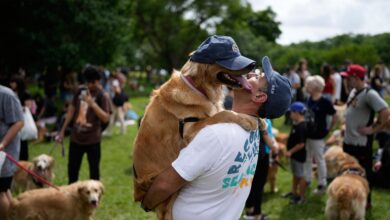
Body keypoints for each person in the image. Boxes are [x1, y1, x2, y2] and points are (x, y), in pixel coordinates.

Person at [141, 56, 292, 220]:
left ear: (258, 97)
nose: (251, 74)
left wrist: (147, 203)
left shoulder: (218, 134)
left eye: (259, 77)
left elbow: (165, 184)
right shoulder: (254, 129)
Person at [341, 64, 390, 208]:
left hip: (361, 143)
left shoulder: (370, 93)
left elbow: (385, 111)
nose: (347, 80)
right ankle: (351, 198)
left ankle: (365, 201)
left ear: (356, 77)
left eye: (348, 77)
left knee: (364, 173)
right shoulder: (354, 91)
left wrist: (373, 129)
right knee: (349, 172)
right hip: (349, 141)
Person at [57, 65, 111, 184]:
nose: (88, 85)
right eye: (87, 81)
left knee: (94, 174)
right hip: (76, 138)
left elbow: (106, 118)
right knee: (72, 173)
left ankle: (94, 201)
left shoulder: (103, 95)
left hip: (93, 140)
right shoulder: (80, 90)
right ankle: (72, 200)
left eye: (91, 82)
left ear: (98, 80)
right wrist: (62, 130)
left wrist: (92, 104)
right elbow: (71, 110)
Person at [304, 75, 337, 194]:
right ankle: (307, 179)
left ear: (315, 87)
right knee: (307, 158)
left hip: (318, 135)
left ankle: (322, 183)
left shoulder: (325, 102)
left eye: (309, 85)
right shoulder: (309, 99)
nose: (306, 86)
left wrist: (330, 129)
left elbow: (334, 115)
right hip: (307, 134)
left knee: (319, 159)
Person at [244, 117, 279, 220]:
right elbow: (269, 141)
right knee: (259, 187)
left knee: (249, 184)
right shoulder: (264, 121)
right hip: (262, 156)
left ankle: (249, 212)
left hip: (248, 156)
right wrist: (275, 150)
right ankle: (257, 215)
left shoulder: (245, 118)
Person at [0, 85, 24, 220]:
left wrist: (2, 143)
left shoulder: (6, 95)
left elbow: (19, 122)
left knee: (1, 191)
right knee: (4, 189)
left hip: (4, 151)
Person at [283, 102, 307, 204]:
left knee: (300, 176)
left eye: (291, 112)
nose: (290, 115)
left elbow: (301, 144)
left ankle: (301, 197)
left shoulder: (302, 127)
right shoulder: (296, 124)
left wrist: (290, 152)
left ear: (297, 113)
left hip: (299, 156)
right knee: (296, 174)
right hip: (294, 156)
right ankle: (294, 192)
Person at [9, 76, 34, 160]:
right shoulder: (10, 93)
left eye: (13, 82)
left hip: (22, 119)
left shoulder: (26, 94)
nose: (11, 84)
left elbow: (28, 107)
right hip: (12, 120)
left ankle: (23, 159)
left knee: (23, 142)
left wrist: (17, 107)